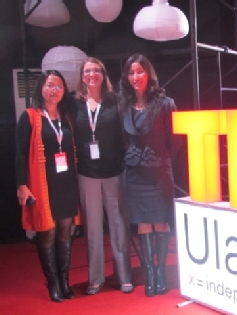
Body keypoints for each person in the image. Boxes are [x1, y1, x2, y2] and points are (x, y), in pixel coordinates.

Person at [16, 70, 80, 302]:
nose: (54, 90)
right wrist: (22, 184)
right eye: (50, 85)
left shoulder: (67, 116)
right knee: (47, 233)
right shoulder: (30, 116)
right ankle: (52, 282)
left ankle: (64, 281)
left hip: (66, 183)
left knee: (65, 231)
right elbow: (21, 153)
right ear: (41, 88)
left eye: (59, 86)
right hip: (43, 183)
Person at [118, 54, 179, 297]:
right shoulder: (123, 105)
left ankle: (161, 272)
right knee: (142, 224)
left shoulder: (165, 104)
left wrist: (161, 160)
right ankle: (150, 273)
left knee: (160, 222)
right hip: (134, 174)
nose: (135, 77)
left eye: (140, 72)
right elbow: (123, 140)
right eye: (131, 73)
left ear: (149, 74)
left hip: (159, 172)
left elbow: (175, 140)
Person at [73, 57, 133, 295]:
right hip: (87, 173)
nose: (91, 74)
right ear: (81, 75)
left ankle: (124, 275)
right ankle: (95, 278)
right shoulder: (74, 103)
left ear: (103, 74)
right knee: (93, 229)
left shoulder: (115, 101)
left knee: (119, 225)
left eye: (96, 70)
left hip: (114, 171)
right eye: (87, 71)